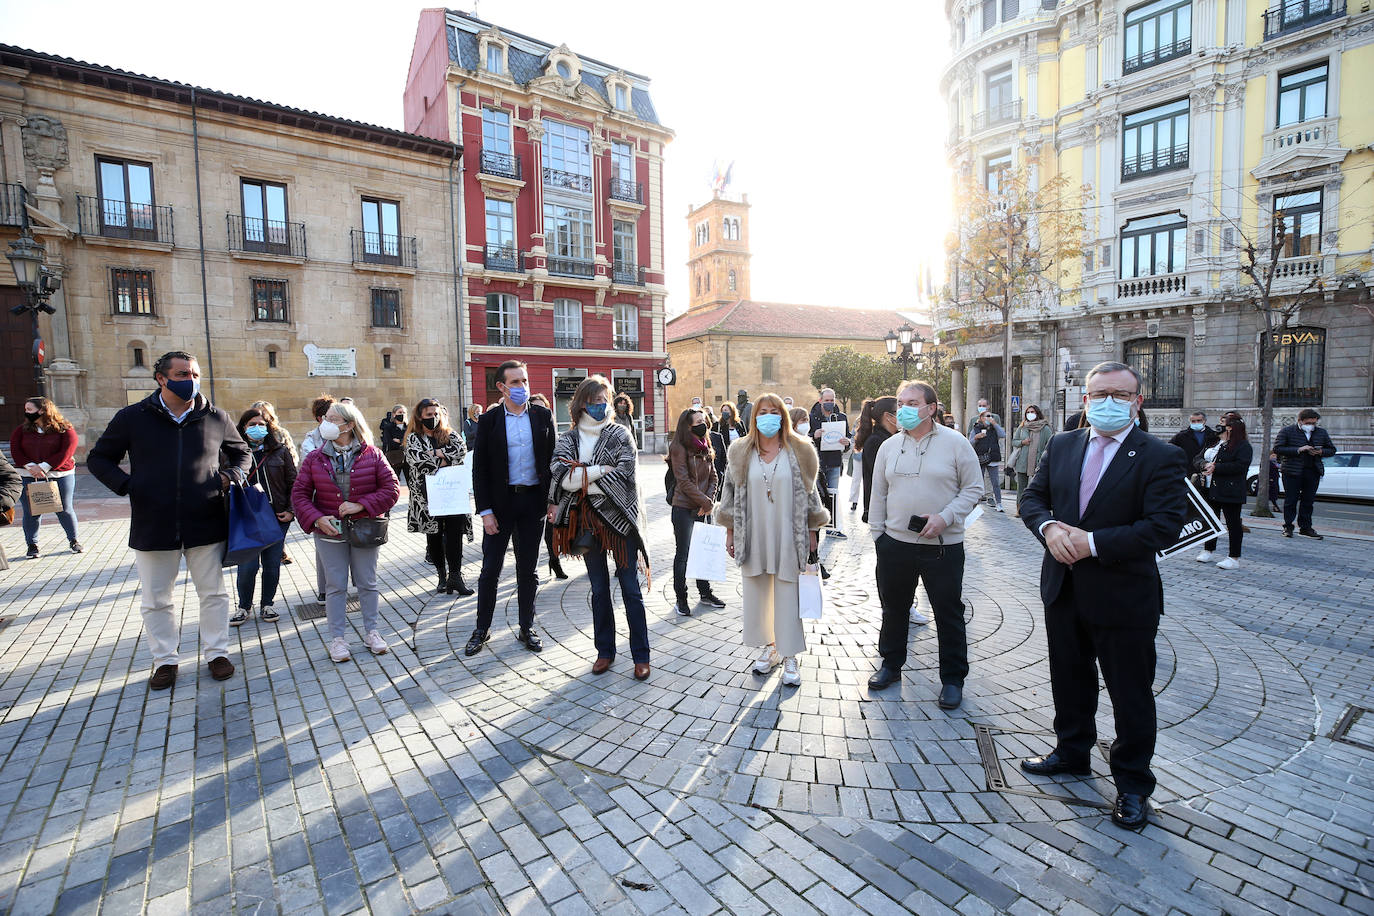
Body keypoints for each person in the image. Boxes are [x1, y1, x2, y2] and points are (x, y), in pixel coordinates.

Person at [1017, 361, 1188, 831]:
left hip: (1123, 597)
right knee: (1069, 680)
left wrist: (1090, 543)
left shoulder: (1160, 456)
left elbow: (1162, 527)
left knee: (1130, 693)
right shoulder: (1063, 443)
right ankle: (1072, 752)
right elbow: (1031, 499)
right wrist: (1049, 528)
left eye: (1119, 394)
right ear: (1085, 400)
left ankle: (1133, 784)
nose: (1107, 402)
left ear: (1137, 401)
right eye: (1098, 395)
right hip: (1064, 588)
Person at [87, 350, 252, 689]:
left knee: (214, 594)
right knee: (156, 598)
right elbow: (99, 458)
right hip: (153, 522)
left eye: (194, 374)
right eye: (181, 375)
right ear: (161, 379)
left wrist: (231, 475)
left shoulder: (215, 417)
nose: (190, 381)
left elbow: (243, 452)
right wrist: (130, 486)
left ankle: (217, 653)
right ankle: (165, 660)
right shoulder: (132, 417)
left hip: (205, 520)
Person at [866, 381, 982, 706]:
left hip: (943, 546)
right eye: (901, 402)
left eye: (912, 402)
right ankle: (890, 665)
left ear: (931, 408)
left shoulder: (956, 443)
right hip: (895, 545)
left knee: (949, 613)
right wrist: (879, 536)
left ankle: (953, 679)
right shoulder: (890, 446)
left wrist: (946, 517)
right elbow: (878, 493)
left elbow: (973, 489)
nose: (903, 408)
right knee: (894, 609)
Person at [715, 393, 829, 688]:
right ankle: (771, 647)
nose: (768, 416)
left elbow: (811, 493)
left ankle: (789, 653)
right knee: (758, 592)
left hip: (789, 532)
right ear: (754, 417)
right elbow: (728, 492)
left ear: (783, 416)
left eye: (774, 411)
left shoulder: (801, 449)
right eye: (762, 411)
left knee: (788, 593)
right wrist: (729, 530)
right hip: (753, 531)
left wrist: (813, 530)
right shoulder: (740, 450)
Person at [547, 375, 652, 677]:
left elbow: (626, 476)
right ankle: (604, 651)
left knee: (631, 589)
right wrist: (600, 471)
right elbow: (560, 476)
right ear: (581, 404)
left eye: (604, 401)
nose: (601, 406)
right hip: (586, 522)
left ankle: (641, 656)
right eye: (594, 402)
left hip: (620, 520)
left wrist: (583, 477)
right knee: (599, 589)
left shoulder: (620, 434)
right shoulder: (568, 439)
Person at [291, 400, 399, 662]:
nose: (326, 423)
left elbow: (392, 489)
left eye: (333, 419)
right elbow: (299, 494)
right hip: (330, 532)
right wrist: (316, 519)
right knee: (335, 586)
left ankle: (372, 632)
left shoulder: (372, 454)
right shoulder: (315, 457)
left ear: (350, 425)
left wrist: (361, 504)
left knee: (367, 583)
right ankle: (337, 640)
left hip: (364, 529)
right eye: (325, 418)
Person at [468, 360, 558, 655]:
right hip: (500, 505)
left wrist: (553, 500)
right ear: (502, 387)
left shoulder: (543, 416)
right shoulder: (490, 421)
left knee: (528, 570)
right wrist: (485, 511)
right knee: (490, 569)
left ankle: (526, 627)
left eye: (525, 380)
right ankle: (482, 628)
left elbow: (553, 463)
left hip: (533, 503)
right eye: (516, 382)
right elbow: (479, 469)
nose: (523, 387)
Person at [231, 407, 297, 625]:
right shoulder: (232, 454)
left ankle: (267, 604)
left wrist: (290, 510)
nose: (257, 428)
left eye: (262, 424)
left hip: (276, 517)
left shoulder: (279, 451)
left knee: (271, 564)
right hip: (247, 519)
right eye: (252, 424)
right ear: (242, 427)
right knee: (248, 566)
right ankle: (243, 607)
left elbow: (294, 483)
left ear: (269, 427)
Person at [405, 398, 474, 596]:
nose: (433, 418)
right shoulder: (413, 438)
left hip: (452, 493)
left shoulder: (449, 434)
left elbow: (461, 451)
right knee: (434, 536)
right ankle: (442, 576)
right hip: (426, 497)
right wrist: (445, 460)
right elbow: (419, 462)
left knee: (454, 536)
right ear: (419, 416)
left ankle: (456, 577)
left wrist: (436, 452)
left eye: (436, 414)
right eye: (429, 415)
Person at [667, 406, 725, 617]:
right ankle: (681, 599)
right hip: (683, 506)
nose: (703, 424)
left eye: (704, 419)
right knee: (683, 554)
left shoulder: (706, 443)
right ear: (687, 426)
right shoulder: (679, 447)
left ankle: (705, 593)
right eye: (697, 421)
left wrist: (708, 502)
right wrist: (704, 501)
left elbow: (714, 476)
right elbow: (683, 481)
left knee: (702, 552)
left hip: (703, 507)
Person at [11, 397, 82, 557]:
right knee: (32, 511)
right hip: (28, 475)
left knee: (64, 508)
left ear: (42, 410)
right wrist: (31, 467)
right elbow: (15, 451)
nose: (26, 413)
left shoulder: (64, 429)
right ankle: (32, 545)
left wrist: (44, 466)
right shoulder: (22, 430)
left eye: (29, 409)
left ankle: (74, 540)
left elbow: (67, 451)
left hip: (60, 474)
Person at [1195, 416, 1252, 569]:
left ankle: (1233, 557)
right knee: (1211, 521)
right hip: (1210, 488)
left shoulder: (1242, 445)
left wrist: (1217, 468)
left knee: (1233, 524)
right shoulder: (1214, 442)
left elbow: (1240, 466)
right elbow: (1198, 458)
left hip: (1230, 490)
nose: (1218, 426)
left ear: (1231, 427)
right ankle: (1208, 549)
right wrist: (1205, 464)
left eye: (1222, 423)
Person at [1274, 408, 1335, 539]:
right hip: (1292, 471)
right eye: (1308, 423)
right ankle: (1288, 526)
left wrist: (1320, 452)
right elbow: (1278, 448)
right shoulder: (1287, 431)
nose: (1311, 426)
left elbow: (1331, 449)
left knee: (1308, 501)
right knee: (1291, 500)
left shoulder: (1321, 433)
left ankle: (1305, 527)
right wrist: (1299, 449)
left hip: (1313, 470)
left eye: (1314, 423)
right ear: (1300, 421)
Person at [528, 393, 568, 581]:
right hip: (529, 487)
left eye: (542, 407)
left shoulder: (552, 430)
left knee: (552, 528)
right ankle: (528, 568)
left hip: (551, 485)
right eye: (534, 407)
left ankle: (554, 560)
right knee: (530, 532)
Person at [808, 388, 852, 539]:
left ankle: (831, 527)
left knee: (833, 493)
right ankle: (815, 526)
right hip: (817, 463)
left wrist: (847, 443)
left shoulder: (841, 417)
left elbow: (848, 438)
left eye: (832, 400)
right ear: (820, 400)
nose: (829, 403)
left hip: (834, 461)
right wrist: (814, 435)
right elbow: (804, 437)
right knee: (817, 495)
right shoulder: (812, 417)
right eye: (826, 400)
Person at [1009, 405, 1052, 516]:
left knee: (1038, 488)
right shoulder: (1022, 427)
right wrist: (1022, 442)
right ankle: (1019, 510)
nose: (1030, 414)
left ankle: (1037, 510)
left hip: (1038, 463)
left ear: (1037, 413)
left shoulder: (1045, 428)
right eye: (1028, 412)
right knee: (1021, 488)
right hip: (1023, 462)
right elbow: (1014, 441)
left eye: (1032, 412)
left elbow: (1051, 444)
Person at [970, 410, 1006, 512]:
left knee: (995, 482)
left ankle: (999, 503)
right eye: (986, 416)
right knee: (978, 481)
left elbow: (1003, 434)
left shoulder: (994, 429)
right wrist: (976, 438)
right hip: (981, 457)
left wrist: (995, 424)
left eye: (990, 416)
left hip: (992, 457)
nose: (989, 418)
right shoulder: (976, 429)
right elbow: (969, 442)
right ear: (981, 418)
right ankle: (975, 502)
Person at [380, 404, 409, 485]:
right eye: (400, 412)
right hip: (394, 457)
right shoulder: (388, 427)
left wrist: (399, 440)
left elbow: (412, 441)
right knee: (394, 482)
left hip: (408, 458)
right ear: (394, 414)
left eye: (404, 412)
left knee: (411, 481)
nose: (402, 414)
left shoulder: (410, 427)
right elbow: (388, 442)